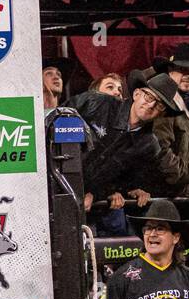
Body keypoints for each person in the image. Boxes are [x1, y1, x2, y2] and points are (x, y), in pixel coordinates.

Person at [69, 72, 182, 236]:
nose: (151, 105)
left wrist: (97, 193)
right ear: (137, 94)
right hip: (54, 187)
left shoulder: (149, 145)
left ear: (162, 113)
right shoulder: (98, 103)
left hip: (91, 208)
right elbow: (52, 119)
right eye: (149, 97)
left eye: (159, 105)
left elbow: (124, 183)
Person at [143, 43, 189, 197]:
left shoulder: (186, 102)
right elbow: (159, 151)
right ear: (170, 71)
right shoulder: (164, 103)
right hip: (160, 193)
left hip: (177, 191)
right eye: (182, 69)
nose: (188, 75)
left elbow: (178, 139)